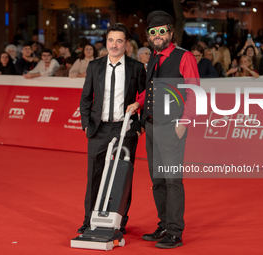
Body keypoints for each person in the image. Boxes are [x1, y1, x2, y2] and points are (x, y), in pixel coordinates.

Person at [77, 23, 146, 235]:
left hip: (125, 129)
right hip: (98, 129)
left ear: (126, 44)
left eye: (119, 41)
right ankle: (89, 220)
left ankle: (119, 220)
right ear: (106, 42)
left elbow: (145, 97)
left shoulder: (136, 67)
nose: (114, 45)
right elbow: (86, 97)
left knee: (122, 176)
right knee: (94, 175)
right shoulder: (94, 66)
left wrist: (140, 125)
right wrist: (87, 125)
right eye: (110, 40)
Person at [140, 10, 199, 249]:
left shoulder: (184, 57)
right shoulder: (153, 57)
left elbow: (195, 92)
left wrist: (184, 123)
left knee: (173, 180)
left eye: (162, 31)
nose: (157, 35)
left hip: (172, 127)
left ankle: (175, 231)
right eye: (153, 32)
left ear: (171, 33)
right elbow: (151, 90)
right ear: (149, 35)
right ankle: (164, 224)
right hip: (152, 126)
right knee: (158, 181)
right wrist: (139, 102)